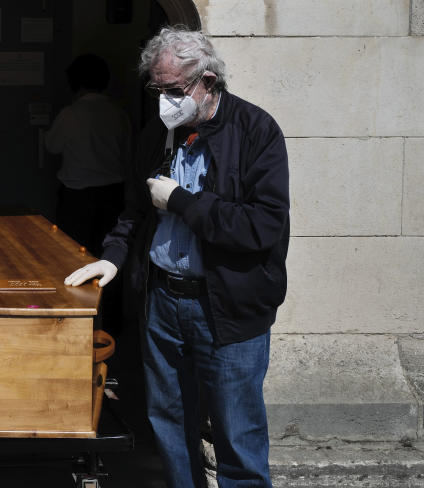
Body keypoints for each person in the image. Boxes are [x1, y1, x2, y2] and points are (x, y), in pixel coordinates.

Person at [65, 26, 289, 488]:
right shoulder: (156, 134)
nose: (165, 100)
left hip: (227, 309)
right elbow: (134, 211)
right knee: (168, 423)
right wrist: (113, 256)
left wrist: (182, 201)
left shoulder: (256, 130)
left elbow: (262, 227)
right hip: (163, 302)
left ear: (207, 81)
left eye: (174, 89)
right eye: (157, 89)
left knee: (237, 435)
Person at [45, 54, 131, 336]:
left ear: (74, 83)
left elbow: (53, 146)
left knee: (73, 263)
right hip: (112, 196)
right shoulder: (118, 113)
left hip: (76, 197)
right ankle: (112, 328)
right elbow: (129, 153)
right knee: (111, 261)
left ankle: (74, 328)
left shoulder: (70, 114)